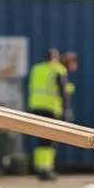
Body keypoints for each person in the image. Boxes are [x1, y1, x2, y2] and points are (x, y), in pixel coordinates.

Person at [26, 48, 71, 180]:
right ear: (55, 57)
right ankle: (47, 168)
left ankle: (39, 168)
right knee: (49, 141)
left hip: (35, 107)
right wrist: (66, 109)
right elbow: (63, 90)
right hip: (50, 108)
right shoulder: (58, 69)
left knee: (40, 139)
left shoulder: (36, 69)